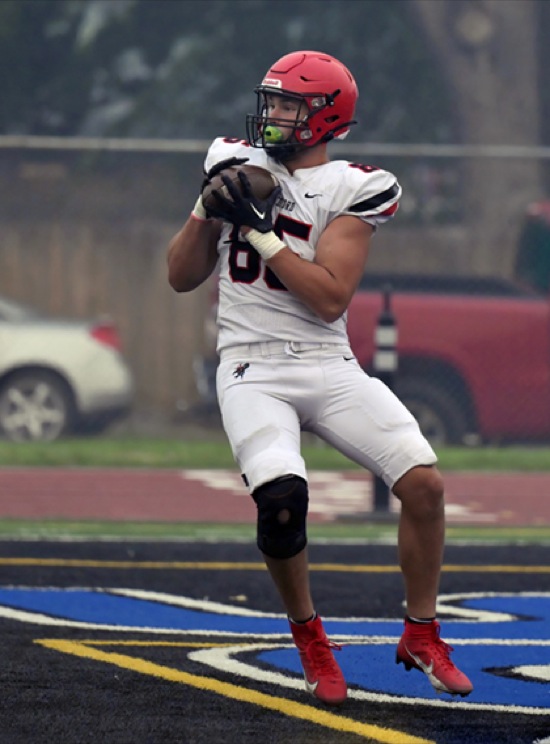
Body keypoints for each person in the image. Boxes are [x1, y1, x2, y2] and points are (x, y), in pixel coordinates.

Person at [167, 49, 473, 706]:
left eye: (288, 104)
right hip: (252, 366)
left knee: (423, 484)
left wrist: (263, 235)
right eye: (271, 101)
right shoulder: (230, 162)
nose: (272, 114)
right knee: (282, 500)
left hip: (327, 362)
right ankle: (308, 634)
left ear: (326, 116)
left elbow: (330, 298)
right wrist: (204, 209)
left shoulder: (352, 186)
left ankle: (422, 633)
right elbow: (180, 276)